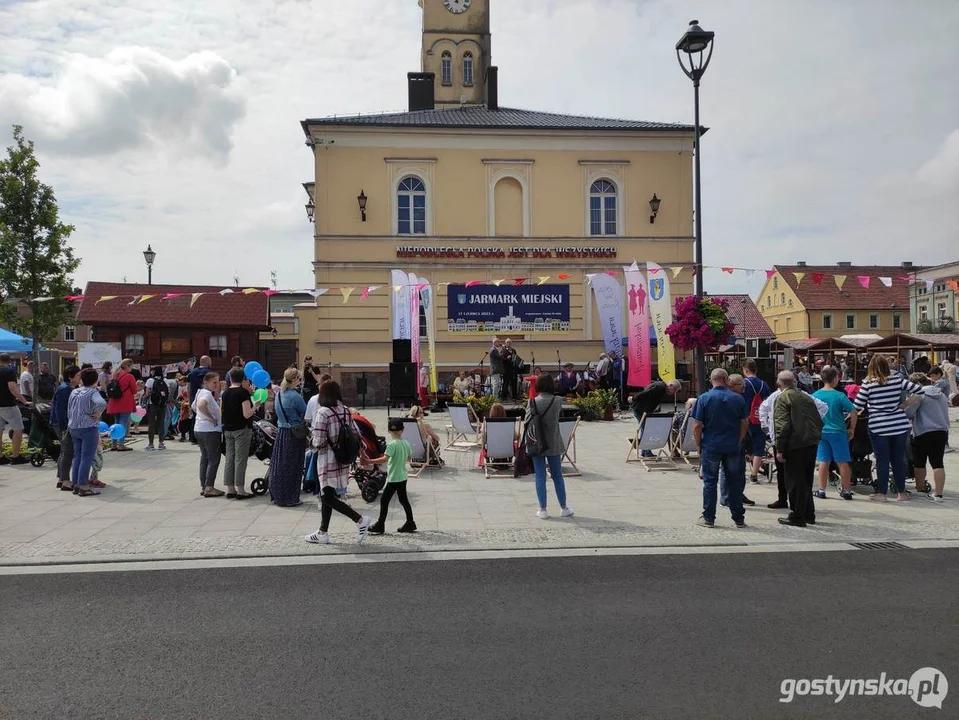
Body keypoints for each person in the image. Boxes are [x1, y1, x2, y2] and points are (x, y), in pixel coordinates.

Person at [305, 380, 372, 544]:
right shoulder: (345, 411)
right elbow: (356, 433)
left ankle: (360, 520)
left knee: (327, 496)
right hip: (343, 458)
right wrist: (362, 452)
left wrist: (311, 439)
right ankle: (322, 532)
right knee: (327, 493)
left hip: (327, 459)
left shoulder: (323, 413)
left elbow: (318, 442)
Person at [853, 355, 922, 502]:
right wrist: (905, 404)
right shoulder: (897, 380)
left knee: (882, 460)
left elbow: (857, 406)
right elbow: (920, 391)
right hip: (899, 424)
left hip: (878, 426)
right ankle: (901, 493)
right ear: (887, 366)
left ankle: (882, 494)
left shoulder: (868, 384)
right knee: (898, 459)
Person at [758, 379, 828, 510]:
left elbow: (783, 425)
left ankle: (797, 510)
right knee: (801, 476)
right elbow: (823, 407)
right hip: (805, 440)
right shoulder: (803, 396)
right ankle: (801, 507)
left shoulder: (781, 397)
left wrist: (767, 428)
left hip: (788, 441)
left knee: (793, 477)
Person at [692, 369, 748, 529]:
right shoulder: (737, 398)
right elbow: (745, 422)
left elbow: (697, 425)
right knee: (734, 481)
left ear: (711, 380)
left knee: (710, 481)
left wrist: (698, 444)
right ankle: (739, 518)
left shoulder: (704, 398)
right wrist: (739, 439)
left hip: (711, 445)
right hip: (732, 445)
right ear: (726, 379)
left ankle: (709, 517)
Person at [774, 371, 825, 527]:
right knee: (806, 480)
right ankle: (809, 513)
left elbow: (782, 426)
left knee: (795, 481)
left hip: (795, 443)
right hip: (811, 442)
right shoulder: (806, 396)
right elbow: (818, 419)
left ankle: (797, 516)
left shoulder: (783, 397)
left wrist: (780, 448)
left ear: (779, 383)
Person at [524, 373, 574, 520]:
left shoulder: (532, 402)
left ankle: (543, 509)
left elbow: (527, 421)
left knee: (540, 476)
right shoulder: (558, 401)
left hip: (537, 443)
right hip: (553, 442)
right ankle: (564, 507)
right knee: (558, 476)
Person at [812, 366, 858, 501]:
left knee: (823, 461)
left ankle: (821, 490)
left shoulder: (815, 395)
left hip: (822, 431)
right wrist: (852, 429)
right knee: (842, 461)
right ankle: (847, 490)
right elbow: (853, 412)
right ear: (834, 379)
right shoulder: (839, 395)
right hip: (838, 431)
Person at [365, 417, 417, 535]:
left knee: (384, 500)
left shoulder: (392, 445)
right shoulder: (406, 443)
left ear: (389, 431)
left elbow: (384, 459)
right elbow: (409, 458)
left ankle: (380, 524)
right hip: (403, 476)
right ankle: (410, 522)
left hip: (394, 478)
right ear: (402, 430)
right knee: (404, 500)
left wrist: (368, 461)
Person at [906, 373, 949, 502]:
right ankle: (938, 494)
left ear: (917, 384)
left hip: (923, 431)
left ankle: (920, 489)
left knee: (919, 462)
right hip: (941, 431)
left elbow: (909, 412)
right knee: (937, 463)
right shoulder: (941, 395)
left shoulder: (919, 395)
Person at [270, 367, 309, 507]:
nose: (300, 381)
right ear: (294, 380)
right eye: (299, 378)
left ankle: (278, 494)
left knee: (281, 465)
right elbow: (306, 412)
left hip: (282, 433)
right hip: (294, 433)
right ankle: (290, 497)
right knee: (294, 465)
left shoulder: (279, 394)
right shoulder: (295, 396)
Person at [67, 368, 108, 497]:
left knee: (77, 456)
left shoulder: (75, 391)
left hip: (74, 427)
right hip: (88, 427)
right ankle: (84, 485)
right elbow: (102, 403)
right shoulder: (92, 392)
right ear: (96, 380)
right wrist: (98, 412)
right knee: (87, 457)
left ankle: (76, 484)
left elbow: (69, 408)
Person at [221, 368, 260, 500]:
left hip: (228, 429)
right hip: (241, 429)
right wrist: (256, 406)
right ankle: (241, 489)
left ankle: (230, 488)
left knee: (229, 458)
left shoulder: (225, 393)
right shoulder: (243, 393)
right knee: (240, 459)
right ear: (243, 379)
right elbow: (247, 413)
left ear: (231, 379)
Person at [723, 375, 755, 507]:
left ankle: (738, 494)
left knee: (740, 470)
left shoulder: (740, 398)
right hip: (732, 439)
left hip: (740, 439)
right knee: (728, 469)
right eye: (741, 384)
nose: (745, 386)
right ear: (732, 385)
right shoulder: (730, 399)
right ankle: (726, 497)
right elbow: (743, 422)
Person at [193, 372, 224, 497]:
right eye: (214, 382)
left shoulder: (199, 392)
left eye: (217, 382)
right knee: (213, 458)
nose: (216, 385)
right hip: (209, 430)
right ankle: (209, 487)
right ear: (206, 382)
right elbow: (200, 406)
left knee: (205, 457)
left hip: (199, 428)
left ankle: (204, 485)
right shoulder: (206, 393)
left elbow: (193, 407)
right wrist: (211, 417)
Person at [741, 360, 772, 485]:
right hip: (760, 419)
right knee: (759, 446)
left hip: (746, 418)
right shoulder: (764, 384)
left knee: (744, 445)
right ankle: (754, 475)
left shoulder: (744, 384)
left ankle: (743, 469)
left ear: (746, 370)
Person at [50, 365, 81, 489]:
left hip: (65, 423)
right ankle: (65, 480)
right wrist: (64, 427)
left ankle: (61, 477)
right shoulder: (64, 390)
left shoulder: (70, 388)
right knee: (68, 451)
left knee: (64, 451)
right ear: (70, 377)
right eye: (78, 375)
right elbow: (61, 410)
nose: (80, 378)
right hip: (63, 424)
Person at [0, 353, 28, 466]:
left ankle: (0, 457)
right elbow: (12, 388)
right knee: (18, 429)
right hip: (8, 405)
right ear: (9, 361)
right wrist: (24, 401)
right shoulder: (9, 371)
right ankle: (15, 456)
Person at [105, 358, 137, 451]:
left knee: (116, 422)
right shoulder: (129, 376)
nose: (132, 368)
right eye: (131, 366)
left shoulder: (114, 375)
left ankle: (114, 444)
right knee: (123, 423)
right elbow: (134, 391)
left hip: (114, 401)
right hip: (125, 402)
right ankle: (121, 444)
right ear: (128, 366)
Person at [143, 367, 170, 451]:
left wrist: (144, 398)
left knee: (151, 424)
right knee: (161, 423)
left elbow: (147, 394)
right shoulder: (165, 380)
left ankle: (151, 444)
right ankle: (161, 443)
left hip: (152, 404)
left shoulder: (150, 381)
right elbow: (168, 392)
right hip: (162, 404)